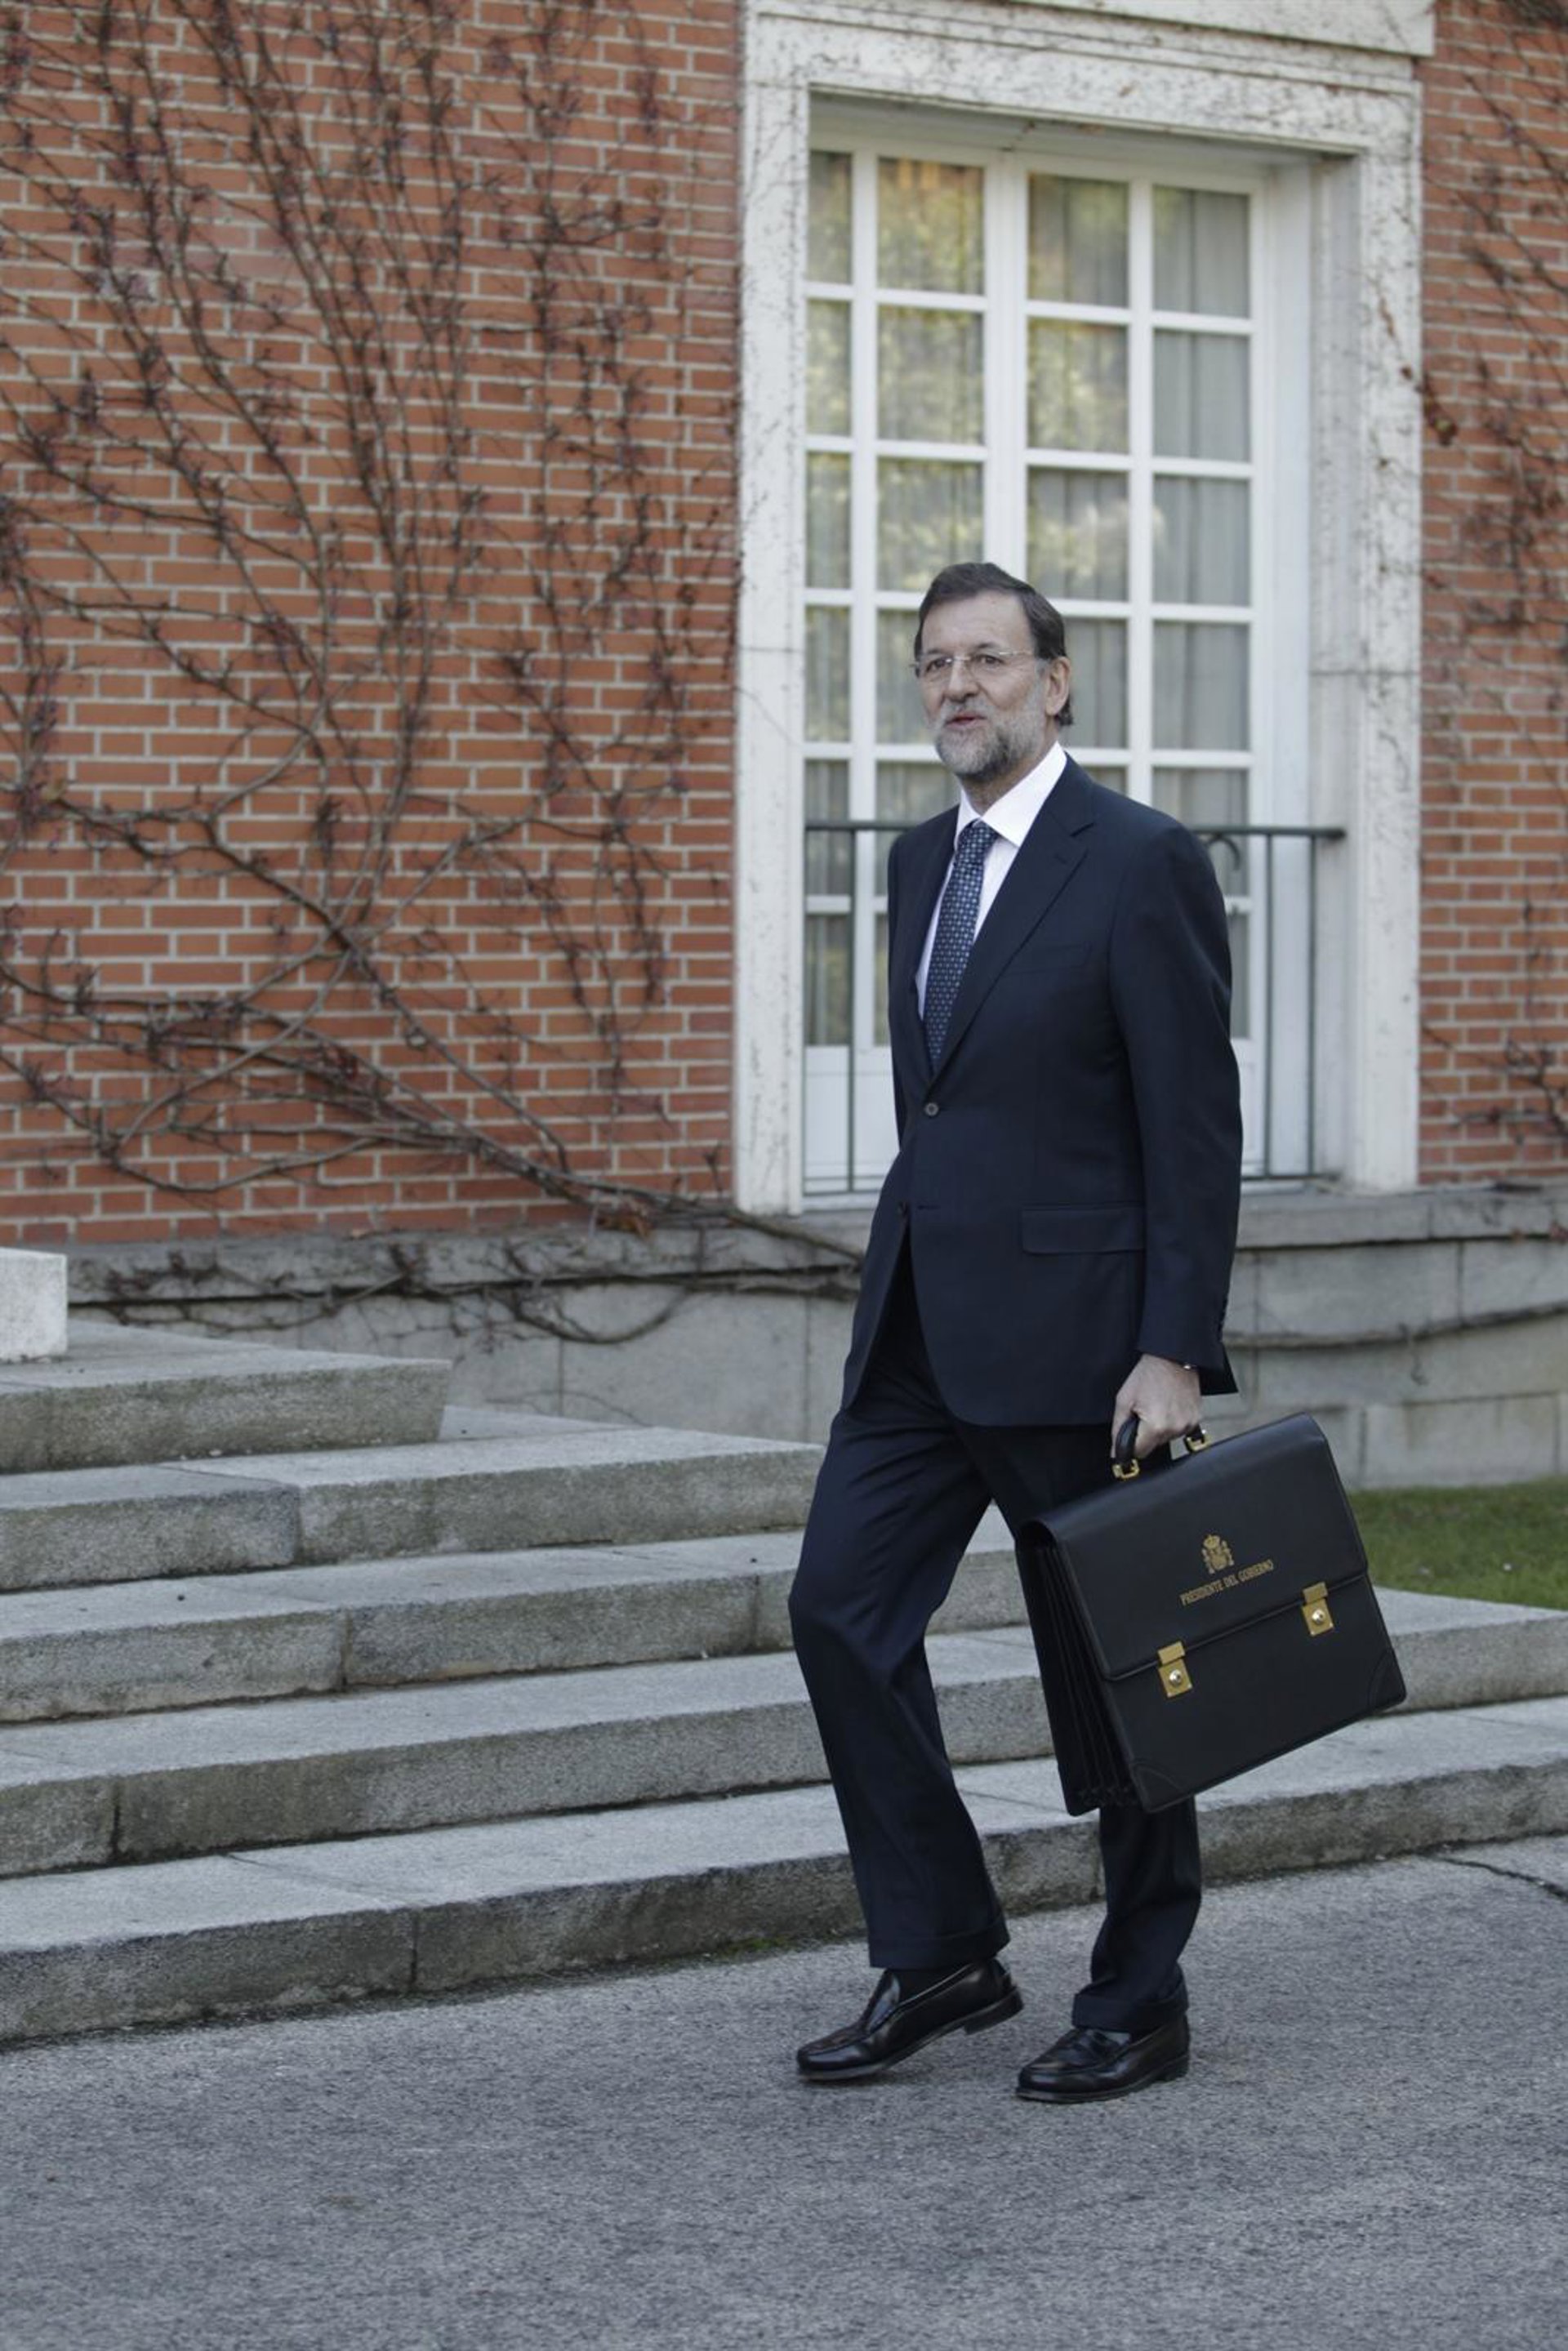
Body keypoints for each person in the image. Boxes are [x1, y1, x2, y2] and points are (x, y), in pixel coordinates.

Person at [789, 560, 1242, 2104]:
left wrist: (1173, 1347)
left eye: (987, 659)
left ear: (1055, 684)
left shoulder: (1141, 861)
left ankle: (1140, 1995)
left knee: (1123, 1678)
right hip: (921, 1334)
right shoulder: (921, 861)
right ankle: (941, 1952)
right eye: (935, 664)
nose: (957, 687)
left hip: (1084, 1347)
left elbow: (1193, 1125)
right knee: (838, 1612)